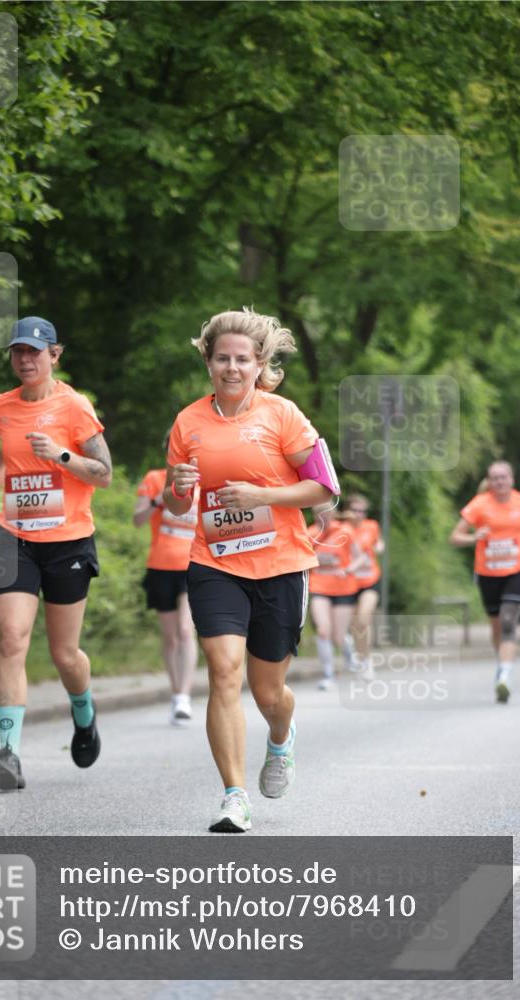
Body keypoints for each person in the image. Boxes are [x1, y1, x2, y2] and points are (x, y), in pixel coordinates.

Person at [165, 307, 334, 833]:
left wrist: (263, 494)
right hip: (213, 563)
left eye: (242, 359)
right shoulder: (188, 422)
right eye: (222, 359)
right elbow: (174, 507)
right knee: (222, 670)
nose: (232, 368)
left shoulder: (283, 416)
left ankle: (280, 738)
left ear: (260, 364)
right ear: (208, 363)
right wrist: (178, 488)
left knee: (268, 694)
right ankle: (234, 797)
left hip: (281, 565)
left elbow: (326, 490)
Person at [0, 316, 112, 789]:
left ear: (55, 355)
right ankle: (9, 753)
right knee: (12, 637)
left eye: (35, 351)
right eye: (18, 352)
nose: (25, 360)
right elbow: (7, 453)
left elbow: (104, 472)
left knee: (64, 653)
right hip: (14, 534)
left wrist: (60, 455)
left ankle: (83, 709)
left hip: (68, 541)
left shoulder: (75, 407)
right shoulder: (1, 406)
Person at [450, 460, 520, 703]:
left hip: (516, 570)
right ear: (489, 481)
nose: (499, 481)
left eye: (503, 477)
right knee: (497, 626)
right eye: (495, 478)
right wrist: (475, 536)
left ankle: (504, 677)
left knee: (509, 622)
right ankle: (502, 662)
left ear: (511, 479)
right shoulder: (479, 505)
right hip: (487, 573)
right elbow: (455, 537)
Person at [133, 432, 199, 725]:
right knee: (170, 637)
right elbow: (137, 519)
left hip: (193, 565)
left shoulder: (202, 481)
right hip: (161, 564)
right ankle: (175, 694)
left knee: (187, 630)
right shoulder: (154, 478)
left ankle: (185, 696)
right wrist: (159, 501)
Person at [308, 507, 368, 688]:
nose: (323, 516)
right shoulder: (309, 533)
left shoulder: (345, 531)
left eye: (326, 512)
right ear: (314, 514)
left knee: (338, 638)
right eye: (319, 512)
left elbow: (362, 557)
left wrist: (350, 568)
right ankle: (328, 675)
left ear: (333, 514)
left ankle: (351, 658)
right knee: (323, 630)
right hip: (318, 586)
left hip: (343, 588)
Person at [344, 493, 385, 679]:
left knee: (362, 620)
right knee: (353, 627)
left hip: (370, 580)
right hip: (348, 583)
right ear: (348, 511)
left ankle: (367, 662)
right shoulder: (342, 529)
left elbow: (379, 542)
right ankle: (359, 656)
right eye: (355, 510)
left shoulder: (372, 526)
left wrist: (379, 547)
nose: (359, 514)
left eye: (362, 511)